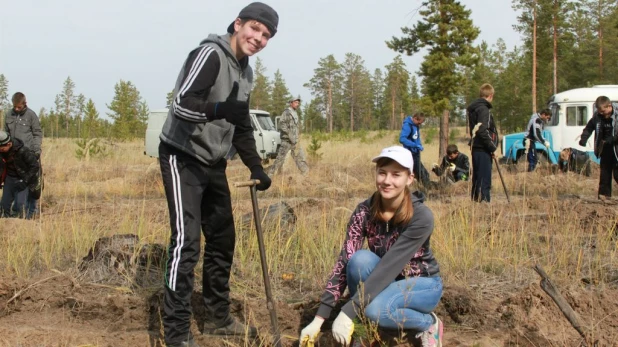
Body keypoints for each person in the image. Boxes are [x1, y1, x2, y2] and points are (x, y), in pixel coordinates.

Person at [157, 3, 277, 346]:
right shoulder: (209, 54)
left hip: (213, 163)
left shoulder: (245, 72)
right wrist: (220, 109)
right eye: (255, 29)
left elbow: (239, 123)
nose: (259, 38)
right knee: (186, 243)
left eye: (266, 35)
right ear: (238, 24)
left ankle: (218, 319)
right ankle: (177, 334)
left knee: (223, 238)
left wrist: (255, 165)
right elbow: (181, 104)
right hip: (182, 156)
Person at [299, 146, 443, 347]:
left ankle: (427, 323)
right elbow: (345, 260)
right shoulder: (364, 211)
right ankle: (366, 332)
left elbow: (390, 266)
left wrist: (349, 311)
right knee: (359, 260)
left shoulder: (421, 217)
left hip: (420, 284)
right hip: (384, 282)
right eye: (382, 173)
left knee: (376, 310)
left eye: (396, 175)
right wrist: (319, 318)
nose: (387, 181)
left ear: (409, 178)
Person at [5, 92, 43, 219]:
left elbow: (37, 133)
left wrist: (36, 150)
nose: (16, 109)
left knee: (32, 185)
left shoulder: (31, 115)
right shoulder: (8, 114)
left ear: (25, 104)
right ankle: (17, 212)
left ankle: (32, 212)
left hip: (29, 154)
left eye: (19, 107)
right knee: (16, 183)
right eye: (15, 107)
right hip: (13, 156)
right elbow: (5, 133)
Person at [578, 96, 618, 199]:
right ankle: (604, 197)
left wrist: (612, 139)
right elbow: (589, 127)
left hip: (616, 148)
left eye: (603, 111)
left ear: (609, 106)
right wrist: (584, 139)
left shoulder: (617, 114)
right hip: (605, 149)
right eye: (599, 111)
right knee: (605, 173)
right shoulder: (598, 116)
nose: (601, 113)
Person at [468, 83, 498, 203]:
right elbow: (482, 130)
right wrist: (492, 147)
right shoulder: (484, 109)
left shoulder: (475, 108)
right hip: (483, 148)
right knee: (484, 179)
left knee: (477, 178)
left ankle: (476, 203)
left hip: (477, 148)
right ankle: (484, 204)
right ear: (490, 95)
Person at [0, 131, 40, 218]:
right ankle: (5, 223)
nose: (0, 150)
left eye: (2, 148)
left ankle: (19, 223)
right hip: (9, 178)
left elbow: (35, 166)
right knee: (4, 205)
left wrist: (25, 181)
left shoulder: (23, 151)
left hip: (22, 179)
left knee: (19, 205)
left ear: (9, 144)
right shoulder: (1, 153)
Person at [267, 97, 309, 175]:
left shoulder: (295, 113)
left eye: (298, 103)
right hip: (287, 141)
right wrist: (289, 134)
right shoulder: (287, 112)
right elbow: (281, 124)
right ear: (291, 103)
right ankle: (270, 174)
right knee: (280, 159)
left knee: (300, 157)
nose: (297, 104)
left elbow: (295, 127)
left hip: (294, 141)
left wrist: (296, 137)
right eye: (296, 102)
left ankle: (305, 174)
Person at [400, 113, 429, 185]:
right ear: (415, 118)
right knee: (422, 174)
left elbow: (416, 137)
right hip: (410, 154)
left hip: (416, 153)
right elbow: (402, 139)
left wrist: (419, 145)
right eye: (419, 123)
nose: (419, 125)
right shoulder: (407, 125)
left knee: (425, 174)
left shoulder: (416, 125)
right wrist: (415, 145)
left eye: (420, 124)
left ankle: (425, 188)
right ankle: (426, 191)